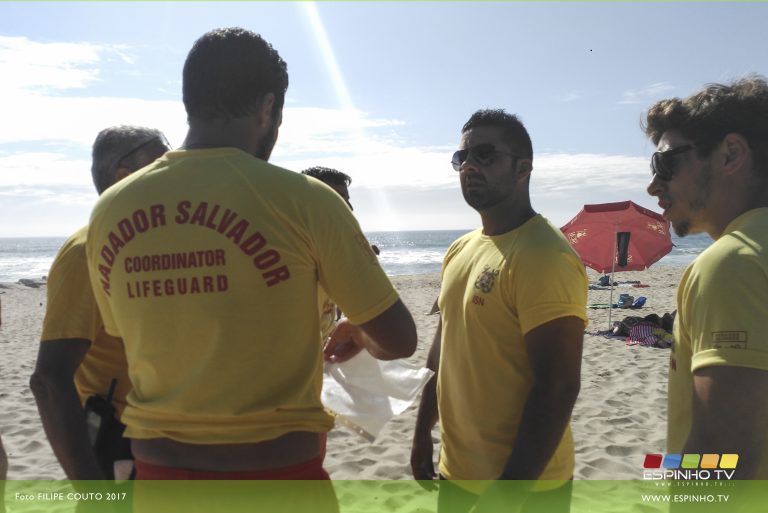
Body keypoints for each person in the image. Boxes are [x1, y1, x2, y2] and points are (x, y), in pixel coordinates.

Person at [84, 27, 416, 485]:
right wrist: (357, 326)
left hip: (159, 480)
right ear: (267, 108)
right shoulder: (308, 201)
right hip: (279, 477)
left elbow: (130, 332)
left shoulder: (111, 209)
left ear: (190, 102)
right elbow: (398, 339)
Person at [411, 109, 587, 513]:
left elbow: (558, 386)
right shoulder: (460, 249)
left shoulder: (544, 255)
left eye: (485, 155)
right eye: (462, 158)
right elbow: (443, 349)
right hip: (457, 472)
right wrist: (423, 432)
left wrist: (508, 493)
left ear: (523, 168)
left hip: (526, 486)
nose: (469, 166)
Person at [644, 75, 768, 481]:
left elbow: (723, 458)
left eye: (665, 162)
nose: (652, 185)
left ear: (730, 154)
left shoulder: (732, 264)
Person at [30, 126, 171, 480]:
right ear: (124, 176)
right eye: (162, 164)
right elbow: (48, 379)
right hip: (118, 442)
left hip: (166, 443)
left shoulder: (157, 242)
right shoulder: (87, 250)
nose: (175, 172)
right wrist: (90, 489)